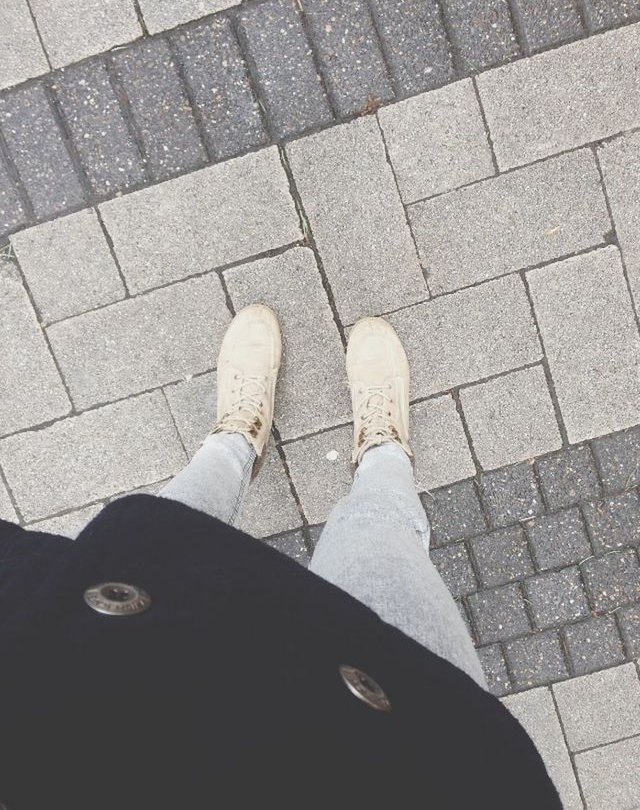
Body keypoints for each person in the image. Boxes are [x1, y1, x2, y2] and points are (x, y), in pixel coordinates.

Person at [0, 305, 560, 809]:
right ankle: (383, 451)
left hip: (74, 677)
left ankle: (238, 439)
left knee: (165, 535)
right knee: (377, 532)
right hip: (405, 765)